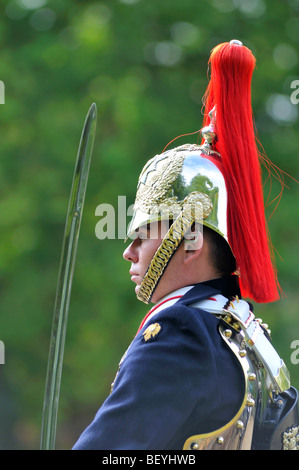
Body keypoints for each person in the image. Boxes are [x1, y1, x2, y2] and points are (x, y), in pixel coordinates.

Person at [73, 41, 299, 450]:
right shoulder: (243, 330)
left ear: (191, 239)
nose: (129, 250)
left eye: (143, 234)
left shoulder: (180, 333)